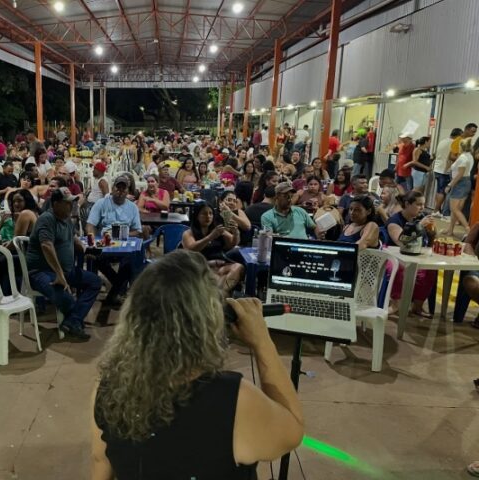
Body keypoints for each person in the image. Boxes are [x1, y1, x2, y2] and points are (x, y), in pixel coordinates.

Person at [91, 252, 303, 479]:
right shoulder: (235, 400)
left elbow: (100, 460)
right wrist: (262, 342)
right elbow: (292, 430)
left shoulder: (108, 388)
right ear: (209, 320)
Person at [25, 187, 101, 339]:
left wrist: (85, 250)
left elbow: (72, 238)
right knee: (66, 299)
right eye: (67, 203)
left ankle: (72, 321)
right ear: (56, 204)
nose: (71, 206)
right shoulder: (47, 219)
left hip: (65, 271)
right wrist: (59, 274)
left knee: (95, 282)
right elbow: (46, 246)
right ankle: (74, 321)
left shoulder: (66, 219)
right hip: (41, 272)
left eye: (72, 202)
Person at [87, 176, 143, 305]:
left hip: (124, 242)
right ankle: (119, 289)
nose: (120, 191)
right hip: (104, 241)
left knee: (131, 258)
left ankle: (115, 292)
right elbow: (90, 225)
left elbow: (138, 231)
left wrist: (122, 234)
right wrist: (91, 242)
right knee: (95, 256)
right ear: (112, 188)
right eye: (118, 187)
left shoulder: (133, 207)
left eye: (124, 188)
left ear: (128, 191)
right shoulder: (101, 203)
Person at [386, 191, 437, 317]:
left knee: (430, 270)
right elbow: (401, 242)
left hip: (416, 256)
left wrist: (432, 234)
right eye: (419, 204)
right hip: (394, 257)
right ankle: (395, 304)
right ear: (407, 204)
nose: (422, 208)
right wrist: (419, 226)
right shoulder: (395, 220)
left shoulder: (420, 218)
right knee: (399, 269)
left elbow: (428, 244)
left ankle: (417, 306)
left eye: (423, 204)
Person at [182, 204, 243, 295]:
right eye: (204, 213)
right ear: (197, 216)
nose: (208, 216)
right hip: (200, 266)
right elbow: (191, 249)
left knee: (238, 267)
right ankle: (220, 294)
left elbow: (232, 244)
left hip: (219, 265)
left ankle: (220, 293)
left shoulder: (217, 230)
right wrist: (210, 237)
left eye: (210, 213)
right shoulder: (189, 233)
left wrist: (236, 233)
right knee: (218, 278)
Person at [441, 138, 473, 237]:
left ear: (460, 147)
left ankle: (468, 229)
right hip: (466, 182)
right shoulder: (469, 156)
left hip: (460, 183)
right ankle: (450, 230)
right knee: (456, 210)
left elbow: (460, 174)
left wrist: (450, 185)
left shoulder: (463, 158)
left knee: (454, 209)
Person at [433, 128, 463, 214]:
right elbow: (454, 157)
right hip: (444, 170)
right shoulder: (454, 143)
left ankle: (437, 209)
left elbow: (435, 154)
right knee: (442, 192)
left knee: (439, 190)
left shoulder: (442, 141)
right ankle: (436, 210)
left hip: (437, 168)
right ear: (458, 136)